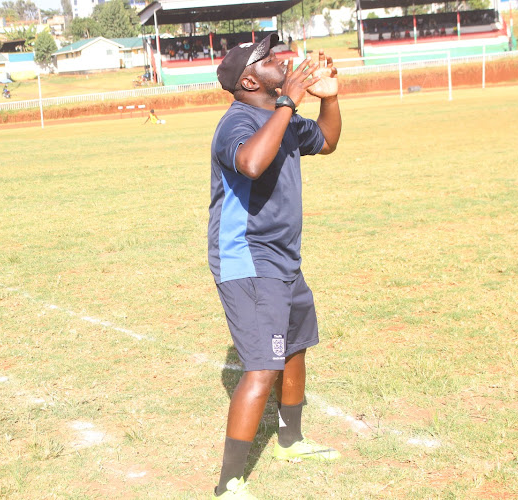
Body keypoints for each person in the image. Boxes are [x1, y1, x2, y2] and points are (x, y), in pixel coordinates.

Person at [208, 34, 342, 499]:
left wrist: (329, 99)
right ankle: (228, 485)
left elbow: (326, 141)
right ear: (249, 79)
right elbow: (249, 162)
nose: (282, 60)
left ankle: (291, 442)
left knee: (296, 348)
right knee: (263, 366)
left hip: (284, 256)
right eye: (269, 59)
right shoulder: (238, 122)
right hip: (248, 258)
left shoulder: (281, 114)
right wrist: (288, 102)